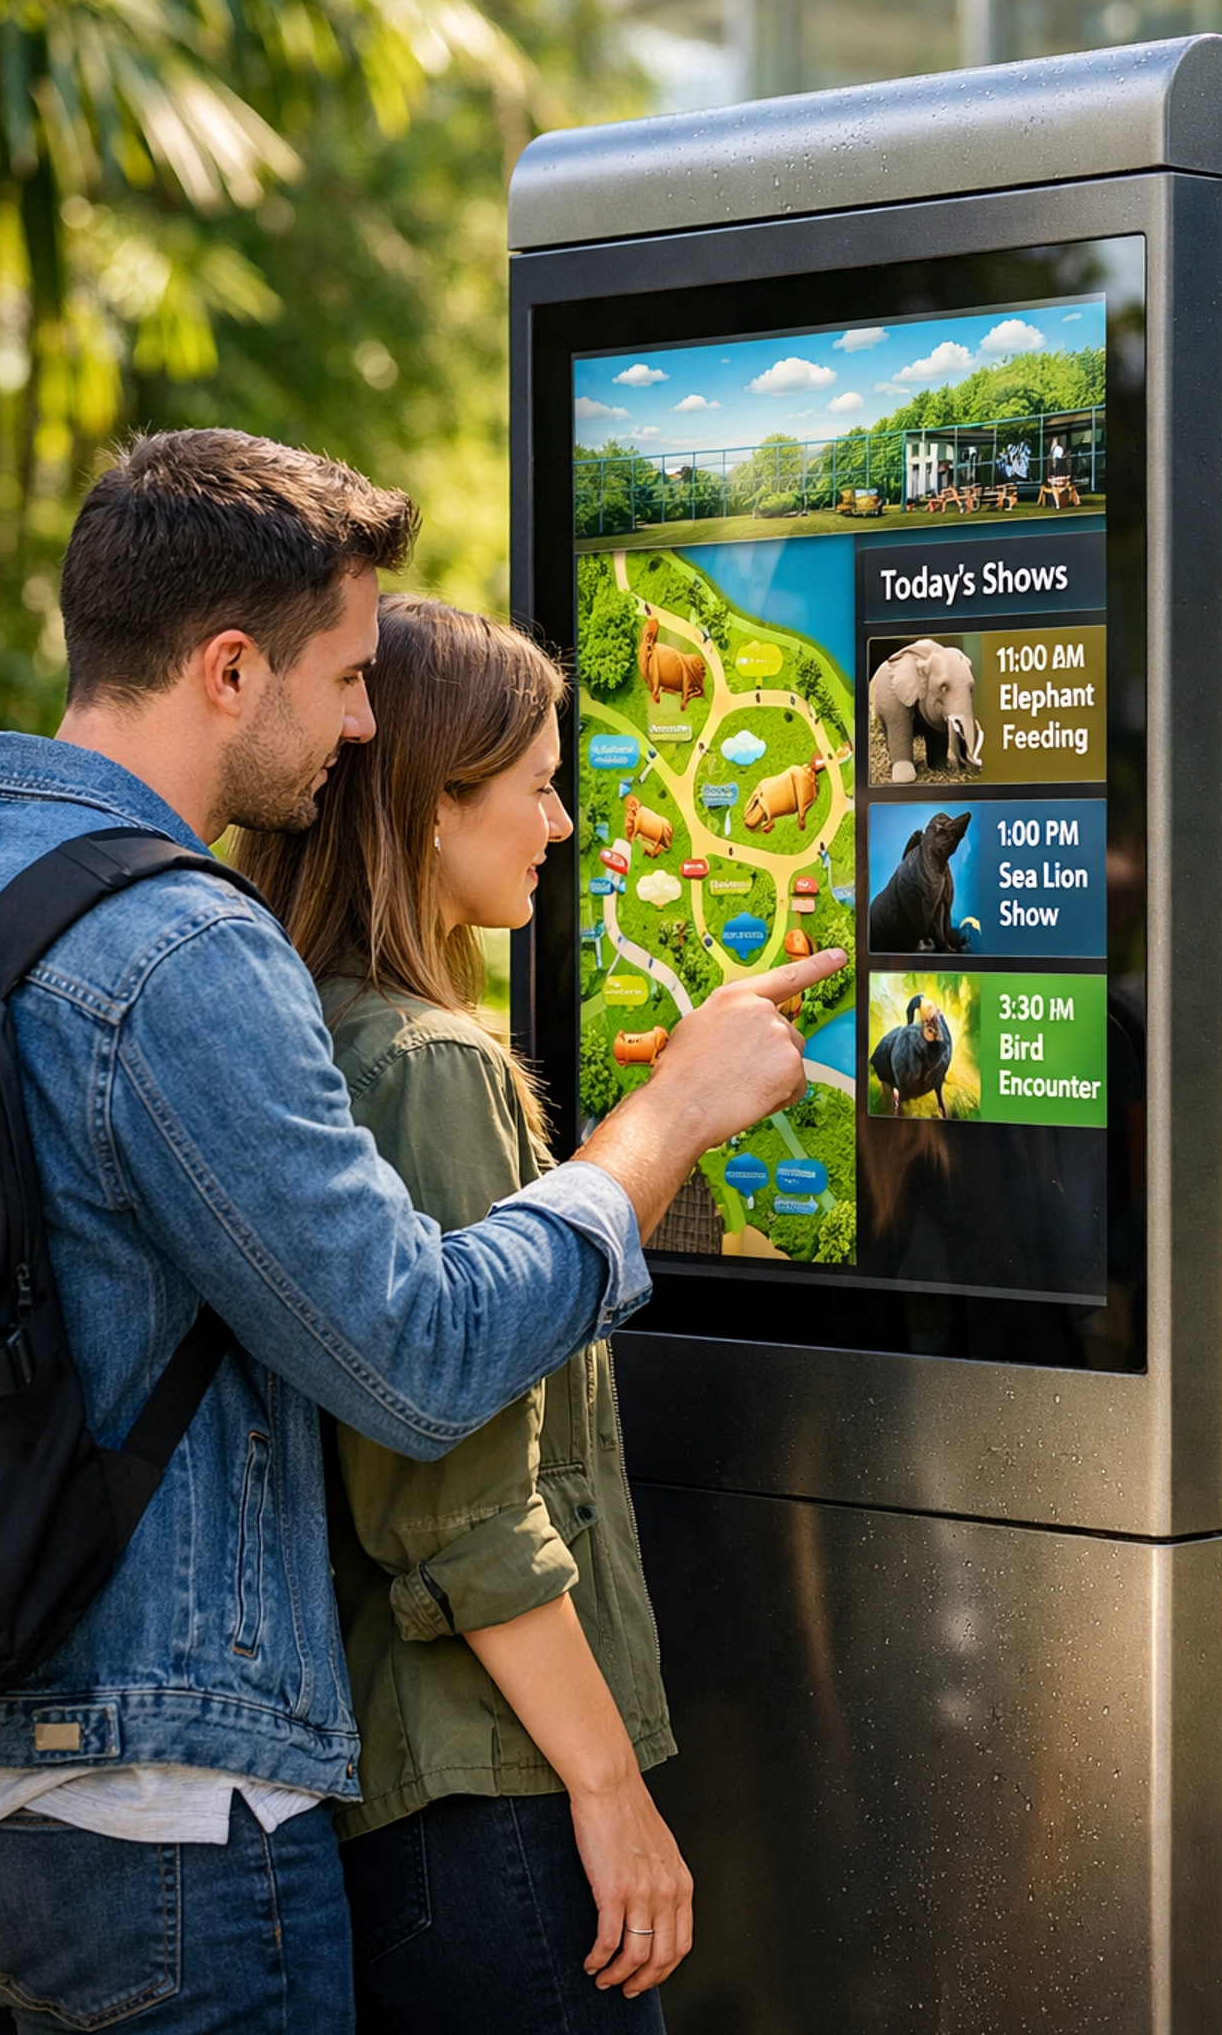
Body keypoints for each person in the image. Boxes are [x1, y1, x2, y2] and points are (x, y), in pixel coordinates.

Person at [0, 430, 842, 2031]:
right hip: (161, 1803)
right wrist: (660, 1126)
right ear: (231, 669)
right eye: (350, 677)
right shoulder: (178, 949)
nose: (363, 722)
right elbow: (416, 1359)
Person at [234, 596, 686, 2031]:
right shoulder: (427, 1064)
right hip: (489, 1790)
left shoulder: (301, 1025)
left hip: (391, 1798)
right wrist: (610, 1795)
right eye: (541, 785)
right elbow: (462, 1506)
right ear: (432, 807)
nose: (561, 825)